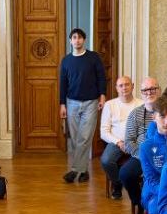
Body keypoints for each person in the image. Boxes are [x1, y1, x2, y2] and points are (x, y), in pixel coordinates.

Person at [59, 28, 107, 184]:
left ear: (84, 40)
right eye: (74, 37)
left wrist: (102, 95)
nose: (77, 40)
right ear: (70, 41)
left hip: (91, 102)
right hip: (71, 103)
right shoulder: (66, 60)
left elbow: (101, 77)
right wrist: (62, 104)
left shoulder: (93, 57)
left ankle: (74, 170)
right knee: (75, 138)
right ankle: (84, 170)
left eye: (80, 37)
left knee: (84, 137)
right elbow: (63, 84)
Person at [119, 78, 160, 214]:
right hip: (140, 156)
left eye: (153, 88)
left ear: (159, 90)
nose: (149, 92)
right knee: (125, 174)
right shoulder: (135, 114)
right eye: (145, 90)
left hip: (164, 156)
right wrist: (142, 155)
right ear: (141, 93)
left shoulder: (166, 112)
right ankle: (139, 203)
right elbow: (129, 141)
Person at [99, 75, 139, 199]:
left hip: (136, 141)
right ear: (117, 88)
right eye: (121, 85)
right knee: (106, 161)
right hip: (116, 141)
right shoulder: (109, 104)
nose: (124, 88)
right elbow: (104, 132)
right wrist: (118, 142)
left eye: (127, 84)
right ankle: (117, 183)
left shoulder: (141, 104)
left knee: (144, 159)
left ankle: (137, 186)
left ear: (132, 86)